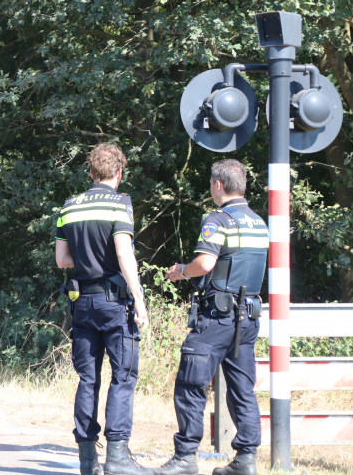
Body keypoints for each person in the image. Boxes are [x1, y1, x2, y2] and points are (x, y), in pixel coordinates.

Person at [155, 159, 268, 475]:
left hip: (217, 319)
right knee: (242, 388)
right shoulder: (259, 223)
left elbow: (204, 264)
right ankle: (245, 460)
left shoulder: (218, 221)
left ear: (218, 185)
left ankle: (185, 458)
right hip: (247, 319)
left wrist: (180, 271)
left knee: (190, 383)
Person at [56, 143, 150, 475]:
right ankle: (118, 458)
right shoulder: (120, 204)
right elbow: (124, 253)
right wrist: (138, 297)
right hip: (115, 303)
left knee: (87, 379)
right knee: (122, 377)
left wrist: (86, 259)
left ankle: (87, 459)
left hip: (82, 303)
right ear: (119, 173)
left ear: (91, 172)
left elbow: (61, 260)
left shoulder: (69, 206)